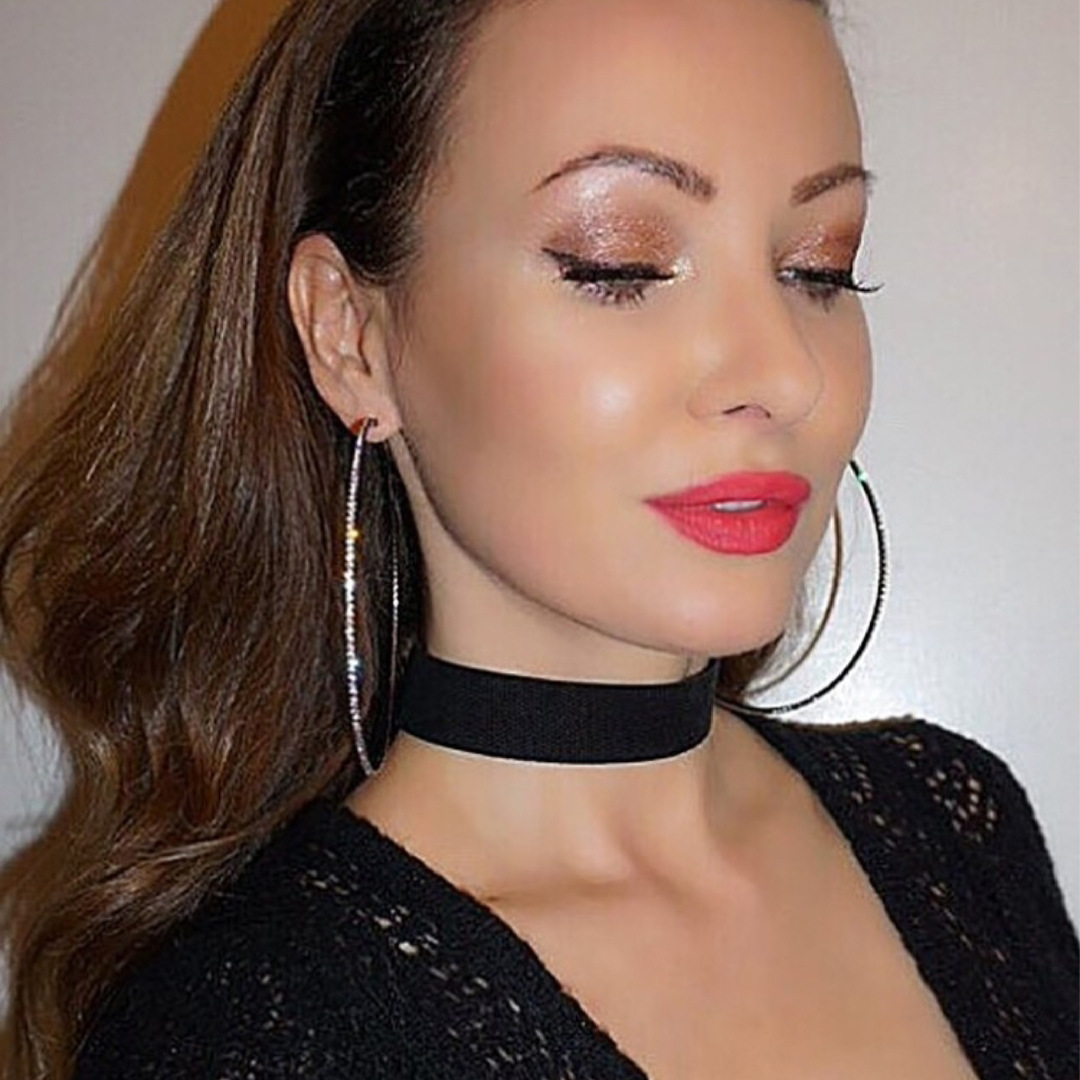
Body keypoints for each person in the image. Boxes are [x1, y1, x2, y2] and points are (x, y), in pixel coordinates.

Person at [0, 0, 1075, 1077]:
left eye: (818, 268)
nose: (785, 372)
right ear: (350, 335)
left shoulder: (954, 830)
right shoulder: (245, 1033)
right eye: (620, 265)